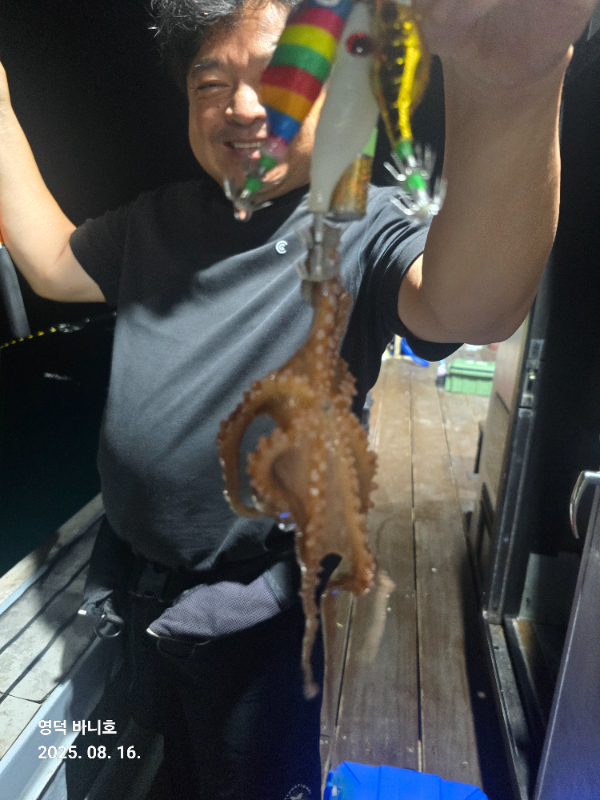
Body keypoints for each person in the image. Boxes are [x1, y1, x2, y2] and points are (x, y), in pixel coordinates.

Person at [0, 1, 595, 798]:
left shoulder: (358, 224)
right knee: (157, 760)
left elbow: (471, 305)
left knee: (251, 776)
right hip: (135, 586)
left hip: (254, 612)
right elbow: (49, 265)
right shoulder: (155, 220)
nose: (244, 108)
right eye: (211, 83)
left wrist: (510, 83)